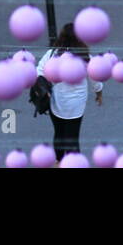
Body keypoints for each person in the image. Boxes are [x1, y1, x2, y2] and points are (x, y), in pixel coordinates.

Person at [36, 24, 103, 161]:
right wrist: (99, 93)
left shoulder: (52, 55)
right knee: (73, 137)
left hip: (56, 101)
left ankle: (59, 161)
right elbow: (95, 78)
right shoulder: (85, 57)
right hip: (76, 104)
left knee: (59, 134)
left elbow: (39, 71)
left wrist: (44, 89)